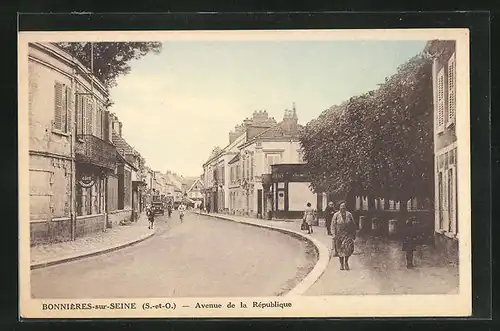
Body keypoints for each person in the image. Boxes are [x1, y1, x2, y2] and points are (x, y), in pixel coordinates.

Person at [331, 201, 357, 270]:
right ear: (339, 208)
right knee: (340, 250)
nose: (343, 209)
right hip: (339, 235)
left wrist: (354, 234)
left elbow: (353, 224)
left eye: (344, 207)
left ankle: (346, 262)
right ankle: (341, 264)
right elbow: (333, 225)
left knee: (348, 249)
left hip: (348, 234)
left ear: (345, 208)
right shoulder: (336, 215)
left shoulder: (349, 215)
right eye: (341, 207)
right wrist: (333, 234)